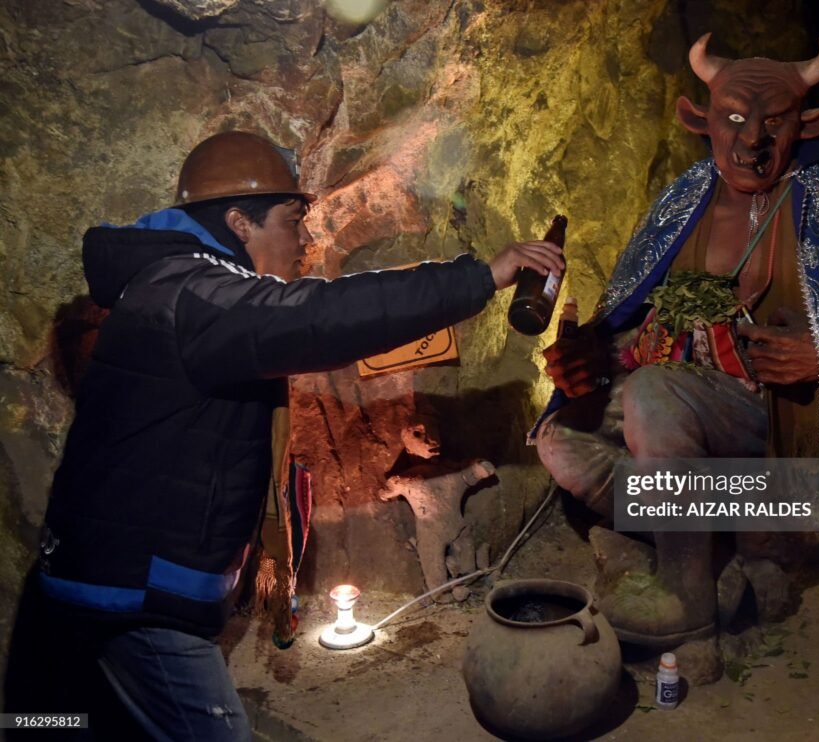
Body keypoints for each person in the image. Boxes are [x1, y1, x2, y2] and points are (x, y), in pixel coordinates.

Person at [9, 130, 564, 740]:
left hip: (95, 579)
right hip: (136, 597)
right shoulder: (195, 294)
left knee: (54, 726)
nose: (305, 240)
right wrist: (481, 277)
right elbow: (319, 315)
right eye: (293, 221)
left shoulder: (172, 284)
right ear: (238, 223)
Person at [535, 35, 819, 668]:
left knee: (660, 394)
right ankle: (725, 549)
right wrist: (592, 361)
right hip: (675, 415)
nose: (753, 141)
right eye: (735, 119)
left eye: (774, 122)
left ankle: (685, 597)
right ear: (701, 120)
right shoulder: (684, 199)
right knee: (559, 439)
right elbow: (634, 321)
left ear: (808, 123)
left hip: (776, 430)